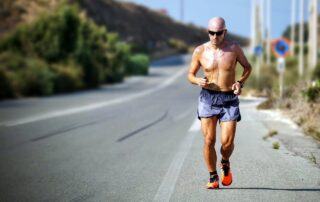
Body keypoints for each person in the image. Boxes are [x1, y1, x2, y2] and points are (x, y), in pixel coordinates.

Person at [187, 17, 252, 189]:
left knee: (227, 142)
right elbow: (190, 74)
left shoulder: (234, 49)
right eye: (211, 33)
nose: (214, 36)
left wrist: (240, 83)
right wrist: (197, 81)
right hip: (208, 97)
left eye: (218, 33)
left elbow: (247, 67)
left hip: (229, 98)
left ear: (225, 32)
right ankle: (213, 177)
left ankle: (224, 161)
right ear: (208, 32)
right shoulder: (200, 50)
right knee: (209, 140)